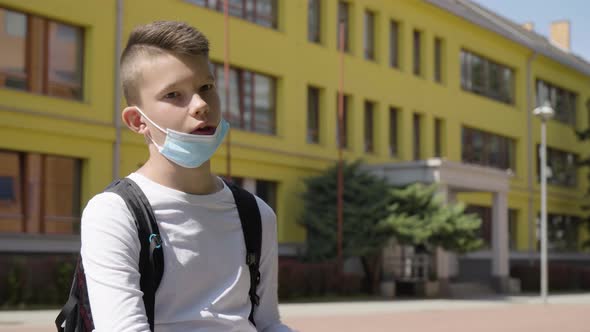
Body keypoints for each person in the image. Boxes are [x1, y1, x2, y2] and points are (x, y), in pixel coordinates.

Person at [81, 20, 292, 331]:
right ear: (138, 120)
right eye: (174, 95)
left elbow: (267, 322)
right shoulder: (114, 214)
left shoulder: (257, 215)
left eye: (206, 87)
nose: (201, 105)